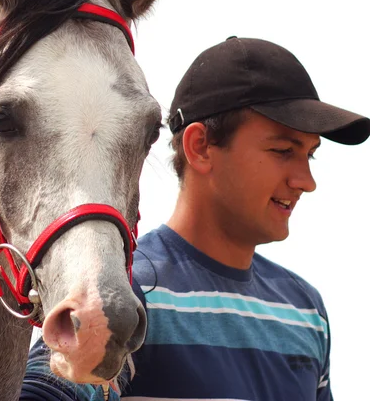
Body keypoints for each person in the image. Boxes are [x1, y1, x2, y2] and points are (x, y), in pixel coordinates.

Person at [19, 36, 370, 400]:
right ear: (200, 146)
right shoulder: (128, 293)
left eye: (309, 155)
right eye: (283, 150)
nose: (306, 182)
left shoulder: (305, 309)